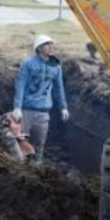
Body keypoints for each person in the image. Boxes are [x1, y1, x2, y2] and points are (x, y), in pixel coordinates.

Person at [12, 34, 69, 165]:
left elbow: (58, 88)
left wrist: (63, 107)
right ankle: (20, 166)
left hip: (43, 111)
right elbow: (21, 85)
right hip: (27, 110)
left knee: (39, 143)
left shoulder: (56, 67)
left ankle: (36, 167)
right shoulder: (28, 64)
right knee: (22, 140)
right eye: (46, 45)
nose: (50, 47)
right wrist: (17, 107)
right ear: (38, 48)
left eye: (51, 44)